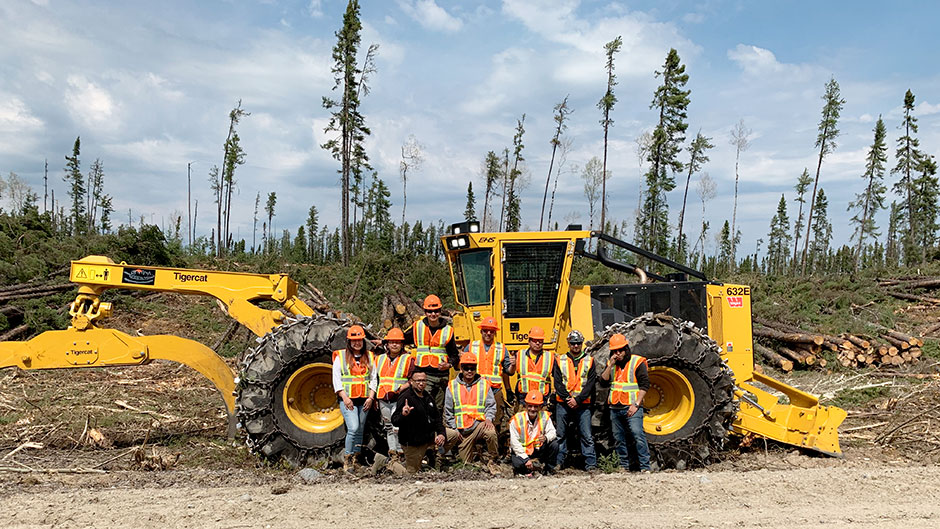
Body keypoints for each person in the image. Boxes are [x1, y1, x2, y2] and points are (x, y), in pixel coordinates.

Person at [599, 333, 651, 472]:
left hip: (632, 407)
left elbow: (645, 385)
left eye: (620, 350)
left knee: (638, 435)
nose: (618, 353)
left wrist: (636, 404)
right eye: (614, 351)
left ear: (626, 349)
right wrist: (610, 365)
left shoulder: (637, 362)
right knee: (618, 439)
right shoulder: (612, 364)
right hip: (615, 407)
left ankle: (645, 467)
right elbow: (603, 382)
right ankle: (624, 466)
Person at [442, 352, 500, 474]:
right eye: (466, 368)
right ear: (461, 368)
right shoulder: (452, 386)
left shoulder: (484, 384)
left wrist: (489, 419)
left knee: (490, 432)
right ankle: (439, 458)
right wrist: (455, 430)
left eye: (472, 368)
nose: (469, 371)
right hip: (461, 430)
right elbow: (448, 412)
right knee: (465, 463)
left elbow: (491, 406)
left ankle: (492, 460)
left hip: (478, 426)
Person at [402, 294, 460, 411]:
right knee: (422, 406)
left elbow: (454, 355)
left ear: (440, 311)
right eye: (429, 311)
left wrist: (449, 365)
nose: (433, 314)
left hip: (441, 376)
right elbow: (401, 339)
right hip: (424, 376)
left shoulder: (448, 331)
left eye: (436, 311)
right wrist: (384, 341)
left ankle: (435, 429)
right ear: (425, 311)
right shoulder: (418, 327)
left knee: (437, 409)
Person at [332, 324, 377, 471]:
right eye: (354, 340)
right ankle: (348, 459)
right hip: (348, 400)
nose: (357, 343)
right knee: (353, 428)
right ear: (349, 341)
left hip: (364, 400)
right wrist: (345, 398)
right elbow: (336, 380)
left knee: (360, 429)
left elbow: (373, 378)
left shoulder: (369, 356)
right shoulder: (341, 357)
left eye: (359, 340)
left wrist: (371, 398)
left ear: (363, 340)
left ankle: (356, 460)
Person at [552, 329, 597, 470]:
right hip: (563, 404)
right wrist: (567, 398)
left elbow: (590, 384)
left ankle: (591, 465)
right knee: (561, 435)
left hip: (583, 404)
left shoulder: (590, 360)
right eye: (573, 343)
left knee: (586, 435)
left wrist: (577, 400)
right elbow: (557, 383)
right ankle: (559, 463)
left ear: (582, 343)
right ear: (568, 343)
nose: (576, 346)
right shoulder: (560, 360)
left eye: (578, 343)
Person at [374, 327, 413, 475]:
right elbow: (375, 379)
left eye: (398, 342)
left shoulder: (408, 359)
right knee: (388, 427)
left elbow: (412, 380)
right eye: (392, 342)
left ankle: (401, 453)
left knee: (399, 427)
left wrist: (401, 389)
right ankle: (393, 455)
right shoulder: (380, 359)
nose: (395, 345)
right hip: (383, 398)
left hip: (399, 398)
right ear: (387, 344)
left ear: (402, 344)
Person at [463, 316, 515, 428]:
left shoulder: (501, 348)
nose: (488, 333)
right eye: (485, 330)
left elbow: (509, 371)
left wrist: (513, 365)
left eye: (491, 331)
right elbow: (461, 366)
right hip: (475, 390)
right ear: (481, 331)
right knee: (475, 419)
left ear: (495, 333)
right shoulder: (472, 346)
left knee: (496, 420)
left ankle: (493, 444)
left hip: (495, 389)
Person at [391, 370, 446, 474]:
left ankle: (434, 458)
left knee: (453, 435)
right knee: (410, 474)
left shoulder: (427, 396)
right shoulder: (406, 397)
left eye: (424, 380)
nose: (421, 383)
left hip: (428, 439)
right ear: (411, 382)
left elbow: (437, 418)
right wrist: (403, 414)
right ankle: (386, 462)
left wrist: (441, 434)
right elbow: (395, 421)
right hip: (412, 443)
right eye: (418, 381)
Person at [509, 390, 558, 476]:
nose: (532, 409)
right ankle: (531, 468)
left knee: (554, 444)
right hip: (522, 451)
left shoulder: (545, 417)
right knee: (518, 464)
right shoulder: (517, 419)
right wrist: (525, 459)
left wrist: (546, 437)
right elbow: (514, 443)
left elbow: (553, 432)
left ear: (540, 407)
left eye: (536, 406)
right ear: (526, 405)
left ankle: (549, 469)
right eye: (530, 406)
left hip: (537, 450)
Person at [514, 326, 554, 410]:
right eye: (535, 341)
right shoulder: (519, 355)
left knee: (542, 423)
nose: (538, 343)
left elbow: (558, 377)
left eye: (540, 341)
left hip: (542, 401)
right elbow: (509, 372)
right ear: (529, 341)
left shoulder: (550, 357)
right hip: (524, 401)